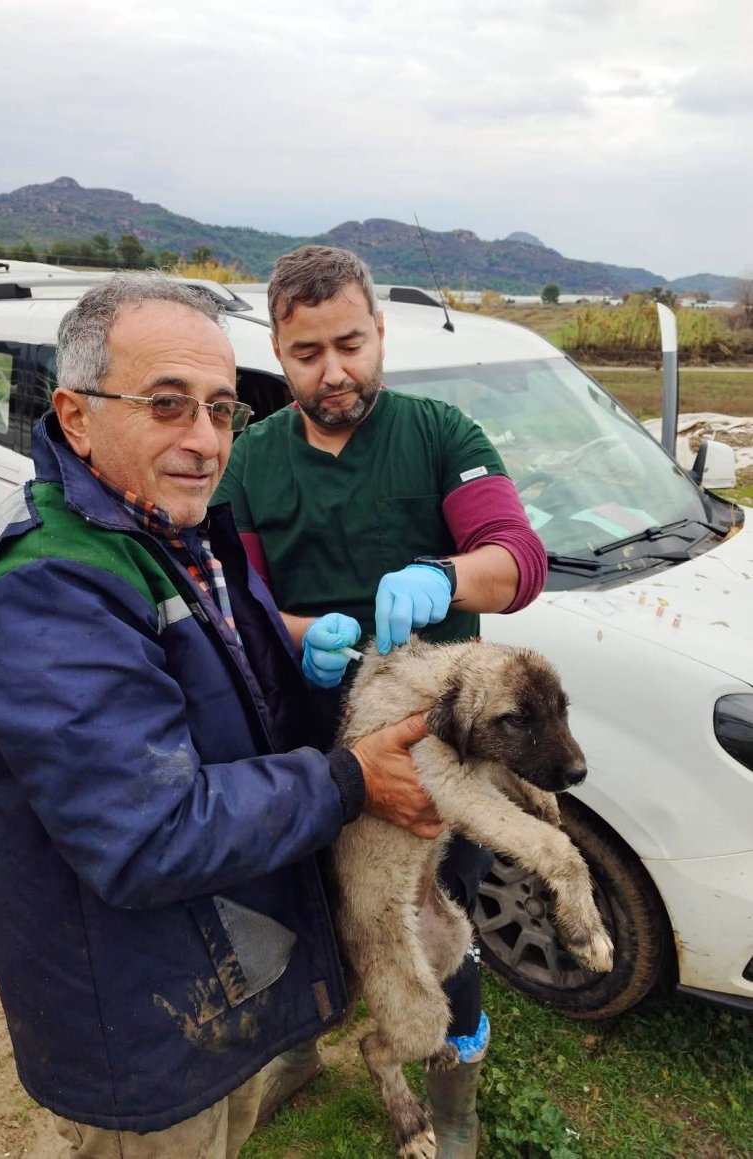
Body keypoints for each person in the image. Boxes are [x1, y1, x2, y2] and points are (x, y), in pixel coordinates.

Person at [0, 272, 444, 1159]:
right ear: (75, 417)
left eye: (223, 410)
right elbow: (148, 832)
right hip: (135, 1014)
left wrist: (311, 682)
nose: (203, 440)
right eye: (167, 404)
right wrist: (349, 778)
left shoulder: (173, 529)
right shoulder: (45, 593)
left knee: (225, 1127)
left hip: (202, 974)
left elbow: (229, 713)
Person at [213, 245, 548, 1156]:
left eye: (351, 344)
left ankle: (452, 1099)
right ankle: (298, 1052)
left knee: (441, 929)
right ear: (278, 352)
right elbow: (236, 602)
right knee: (309, 915)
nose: (334, 371)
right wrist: (297, 636)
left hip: (439, 757)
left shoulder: (440, 433)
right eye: (307, 353)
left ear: (379, 331)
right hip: (312, 754)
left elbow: (518, 558)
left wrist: (446, 576)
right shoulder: (248, 465)